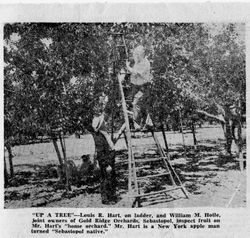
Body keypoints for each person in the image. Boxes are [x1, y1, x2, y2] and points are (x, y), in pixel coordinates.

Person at [125, 45, 154, 130]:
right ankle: (149, 123)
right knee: (141, 106)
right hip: (136, 86)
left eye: (138, 54)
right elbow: (134, 75)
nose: (136, 56)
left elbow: (137, 73)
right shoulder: (138, 63)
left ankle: (137, 123)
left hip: (143, 87)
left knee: (136, 104)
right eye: (136, 54)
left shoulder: (145, 63)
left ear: (142, 54)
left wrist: (128, 67)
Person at [91, 114, 117, 205]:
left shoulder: (104, 134)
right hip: (105, 161)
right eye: (103, 123)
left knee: (110, 179)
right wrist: (107, 164)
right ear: (100, 125)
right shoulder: (99, 136)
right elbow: (100, 152)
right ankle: (106, 199)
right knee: (105, 179)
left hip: (109, 158)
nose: (105, 123)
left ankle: (111, 196)